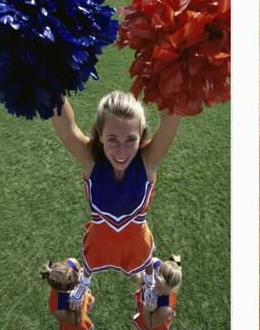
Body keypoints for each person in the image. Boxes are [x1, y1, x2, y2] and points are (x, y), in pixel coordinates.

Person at [51, 90, 180, 309]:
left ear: (141, 136)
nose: (121, 150)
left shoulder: (148, 162)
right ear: (100, 135)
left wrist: (175, 81)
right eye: (112, 139)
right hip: (100, 238)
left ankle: (148, 284)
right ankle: (84, 285)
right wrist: (48, 80)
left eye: (130, 139)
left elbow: (170, 122)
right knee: (90, 264)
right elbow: (67, 128)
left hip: (136, 240)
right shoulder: (91, 160)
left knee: (147, 262)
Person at [41, 258, 95, 330]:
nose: (78, 282)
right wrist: (78, 308)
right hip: (73, 321)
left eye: (76, 275)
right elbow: (76, 322)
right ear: (62, 289)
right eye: (74, 285)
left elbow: (81, 270)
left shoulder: (71, 262)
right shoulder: (57, 306)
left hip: (81, 301)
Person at [132, 254, 182, 330]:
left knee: (152, 329)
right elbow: (142, 271)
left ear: (173, 289)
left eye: (164, 290)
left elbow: (150, 324)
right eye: (158, 286)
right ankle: (140, 313)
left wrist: (146, 310)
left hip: (156, 315)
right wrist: (140, 278)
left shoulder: (166, 309)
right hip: (147, 301)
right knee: (140, 309)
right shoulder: (155, 264)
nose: (158, 292)